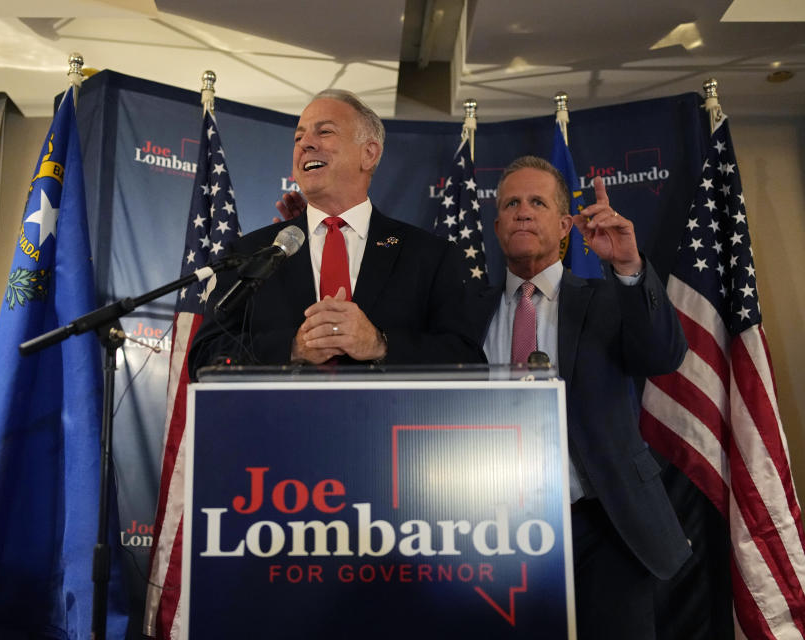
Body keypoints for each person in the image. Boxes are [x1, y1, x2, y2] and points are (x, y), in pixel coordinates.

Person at [477, 155, 691, 639]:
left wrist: (629, 266)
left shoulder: (608, 298)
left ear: (565, 224)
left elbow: (663, 354)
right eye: (512, 203)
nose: (523, 213)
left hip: (604, 526)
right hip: (496, 530)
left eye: (537, 202)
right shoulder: (469, 311)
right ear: (497, 226)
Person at [188, 90, 483, 374]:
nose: (305, 144)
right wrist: (292, 348)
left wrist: (379, 345)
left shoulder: (428, 255)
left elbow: (468, 361)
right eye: (298, 137)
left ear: (369, 154)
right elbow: (205, 358)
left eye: (324, 132)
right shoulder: (249, 254)